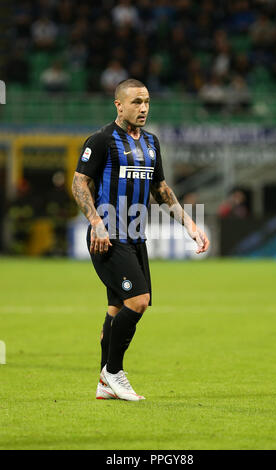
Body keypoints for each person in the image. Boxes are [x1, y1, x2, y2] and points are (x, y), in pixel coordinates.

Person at [72, 78, 210, 402]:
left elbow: (161, 189)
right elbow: (79, 183)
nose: (143, 108)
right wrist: (95, 222)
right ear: (118, 105)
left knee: (115, 308)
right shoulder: (102, 140)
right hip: (107, 238)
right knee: (139, 301)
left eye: (147, 101)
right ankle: (113, 372)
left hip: (136, 238)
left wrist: (190, 224)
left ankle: (104, 383)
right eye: (136, 102)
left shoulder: (151, 142)